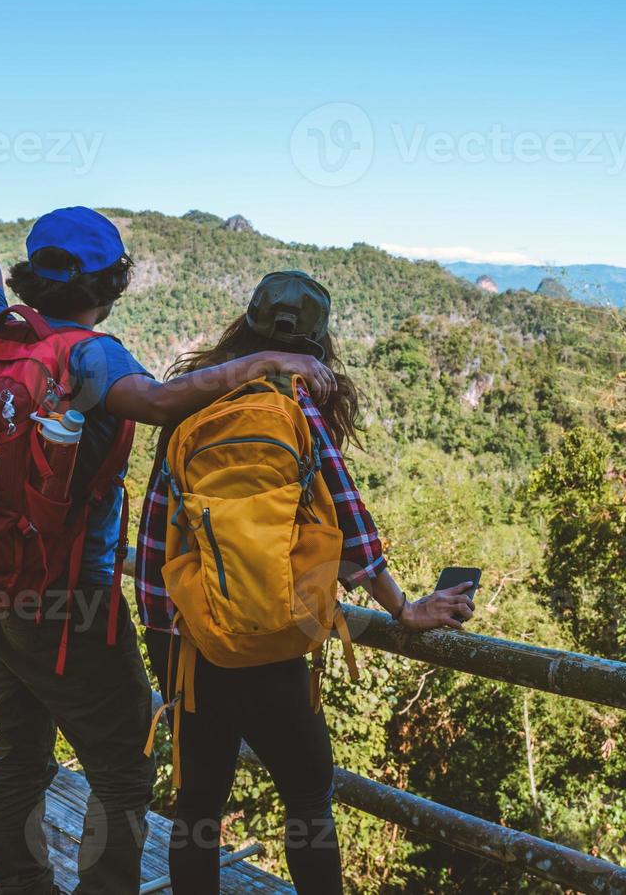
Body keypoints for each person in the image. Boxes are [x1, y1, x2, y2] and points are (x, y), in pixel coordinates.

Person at [0, 118, 335, 895]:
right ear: (112, 285)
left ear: (31, 279)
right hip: (67, 601)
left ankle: (17, 881)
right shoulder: (93, 355)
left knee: (22, 750)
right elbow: (166, 401)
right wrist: (270, 359)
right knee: (123, 771)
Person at [135, 270, 476, 895]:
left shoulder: (194, 395)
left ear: (248, 323)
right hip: (273, 632)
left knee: (198, 805)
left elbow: (159, 530)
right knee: (309, 800)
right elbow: (348, 524)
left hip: (186, 638)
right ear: (319, 342)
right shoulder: (295, 402)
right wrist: (403, 607)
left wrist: (169, 626)